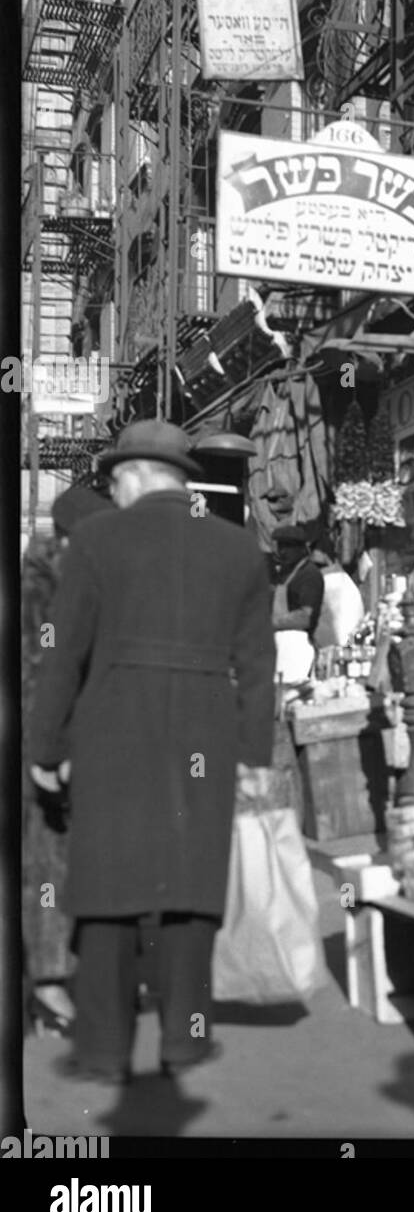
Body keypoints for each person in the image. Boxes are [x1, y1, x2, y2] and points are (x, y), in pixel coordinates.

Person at [29, 419, 275, 1085]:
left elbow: (63, 653)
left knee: (107, 886)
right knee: (190, 888)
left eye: (112, 479)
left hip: (112, 727)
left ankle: (105, 1050)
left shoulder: (97, 540)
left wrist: (44, 745)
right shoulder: (237, 549)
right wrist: (256, 757)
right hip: (206, 731)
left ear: (135, 476)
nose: (111, 490)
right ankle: (184, 1042)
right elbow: (258, 666)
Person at [22, 485, 110, 1035]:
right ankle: (49, 984)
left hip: (64, 744)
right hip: (40, 749)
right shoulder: (41, 590)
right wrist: (51, 751)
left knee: (59, 862)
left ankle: (54, 979)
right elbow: (40, 676)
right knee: (45, 863)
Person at [271, 524, 324, 642]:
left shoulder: (309, 574)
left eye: (288, 546)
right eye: (281, 546)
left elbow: (305, 618)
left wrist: (270, 622)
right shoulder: (284, 572)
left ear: (301, 549)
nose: (283, 551)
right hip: (280, 640)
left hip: (298, 644)